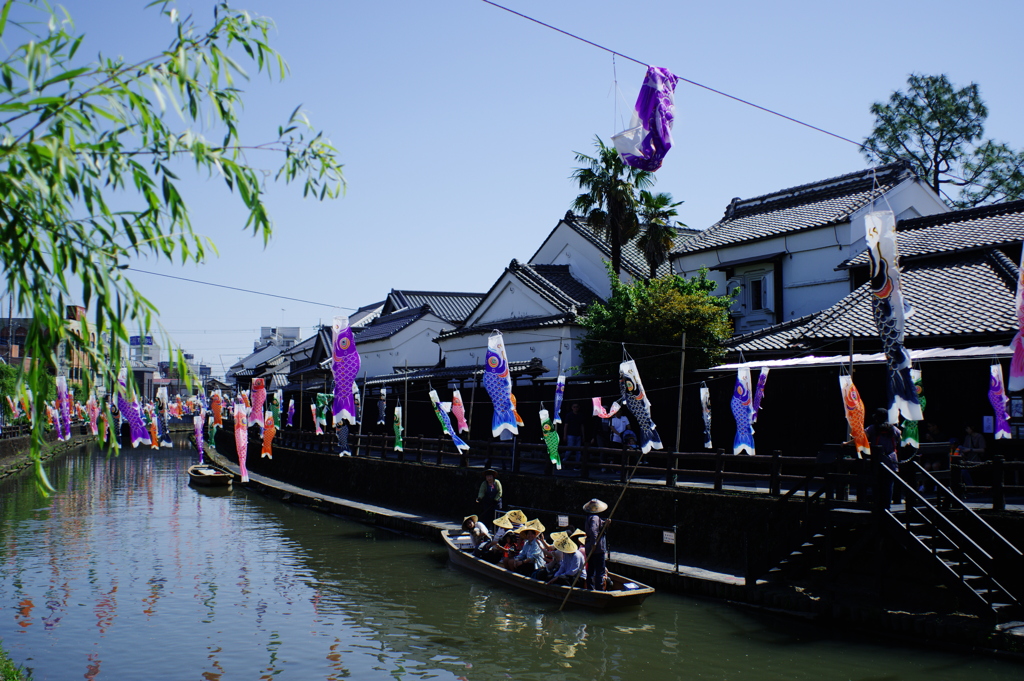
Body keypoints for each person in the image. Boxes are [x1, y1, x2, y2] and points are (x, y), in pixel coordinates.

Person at [865, 408, 901, 503]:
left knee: (877, 485)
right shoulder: (893, 428)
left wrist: (847, 443)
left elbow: (862, 438)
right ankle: (887, 507)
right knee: (888, 485)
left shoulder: (872, 428)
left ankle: (878, 507)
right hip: (891, 460)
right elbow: (900, 438)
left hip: (877, 460)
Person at [583, 498, 609, 591]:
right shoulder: (595, 518)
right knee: (599, 571)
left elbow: (598, 528)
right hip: (596, 549)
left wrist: (605, 524)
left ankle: (591, 587)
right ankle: (599, 589)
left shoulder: (590, 517)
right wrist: (594, 543)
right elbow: (594, 531)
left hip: (591, 547)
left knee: (591, 569)